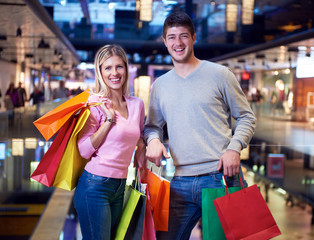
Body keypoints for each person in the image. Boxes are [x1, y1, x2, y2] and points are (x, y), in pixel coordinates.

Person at [144, 11, 256, 239]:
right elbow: (152, 126)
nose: (178, 42)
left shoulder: (220, 75)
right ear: (165, 42)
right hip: (179, 181)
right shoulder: (160, 86)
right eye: (172, 37)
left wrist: (234, 149)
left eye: (184, 36)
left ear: (194, 38)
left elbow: (247, 116)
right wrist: (154, 140)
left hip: (221, 176)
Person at [74, 44, 146, 240]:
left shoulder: (137, 104)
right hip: (94, 185)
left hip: (120, 185)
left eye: (119, 67)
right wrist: (108, 121)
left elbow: (136, 133)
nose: (114, 73)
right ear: (100, 72)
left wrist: (141, 146)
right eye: (108, 68)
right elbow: (84, 150)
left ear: (126, 69)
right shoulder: (95, 105)